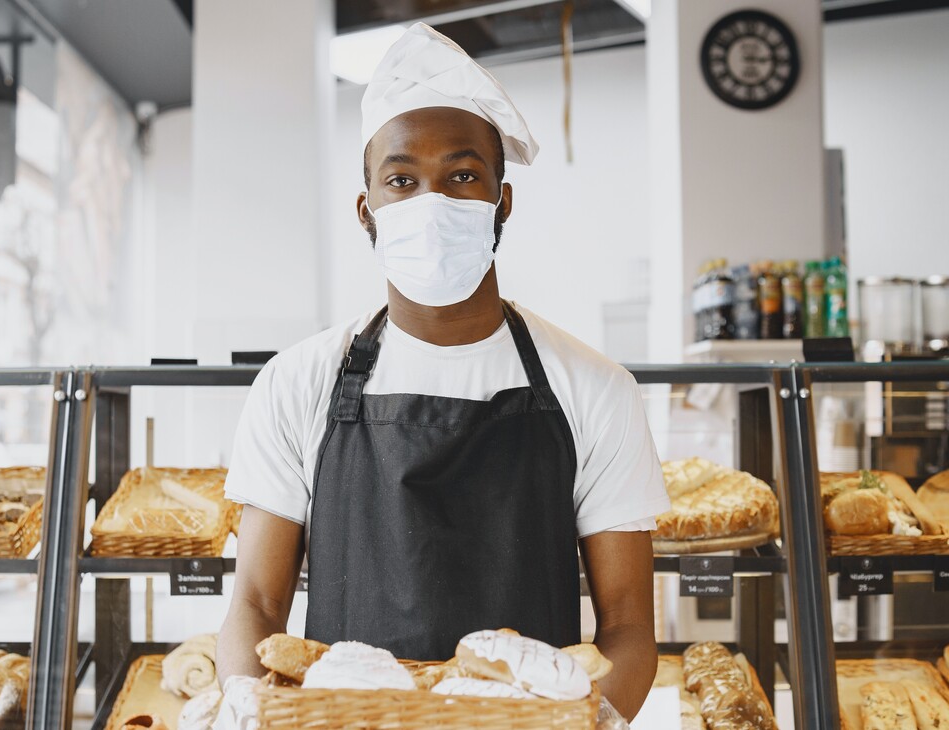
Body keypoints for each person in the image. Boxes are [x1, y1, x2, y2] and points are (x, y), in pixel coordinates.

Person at [215, 22, 670, 722]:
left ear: (501, 203)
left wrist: (594, 721)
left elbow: (630, 625)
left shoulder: (594, 387)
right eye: (403, 179)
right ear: (368, 211)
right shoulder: (296, 382)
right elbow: (255, 603)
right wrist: (247, 708)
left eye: (462, 175)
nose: (432, 203)